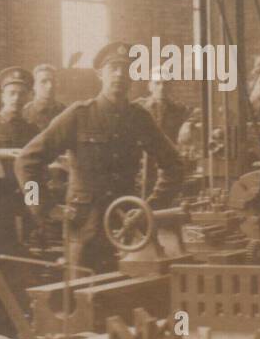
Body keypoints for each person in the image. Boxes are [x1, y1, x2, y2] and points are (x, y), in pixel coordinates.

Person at [16, 41, 185, 273]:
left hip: (127, 227)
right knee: (81, 299)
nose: (119, 74)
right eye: (112, 68)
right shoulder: (79, 115)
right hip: (84, 230)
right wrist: (44, 207)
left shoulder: (139, 118)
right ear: (99, 74)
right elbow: (26, 161)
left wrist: (150, 208)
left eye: (126, 68)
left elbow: (175, 166)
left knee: (127, 297)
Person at [134, 68, 190, 197]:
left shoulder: (179, 110)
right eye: (157, 83)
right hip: (142, 166)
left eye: (166, 83)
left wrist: (188, 124)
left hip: (167, 165)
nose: (162, 87)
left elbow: (196, 116)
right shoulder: (138, 107)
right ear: (150, 86)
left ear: (170, 87)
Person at [22, 63, 66, 132]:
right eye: (43, 81)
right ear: (33, 85)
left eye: (53, 81)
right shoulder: (24, 113)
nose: (50, 86)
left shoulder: (64, 111)